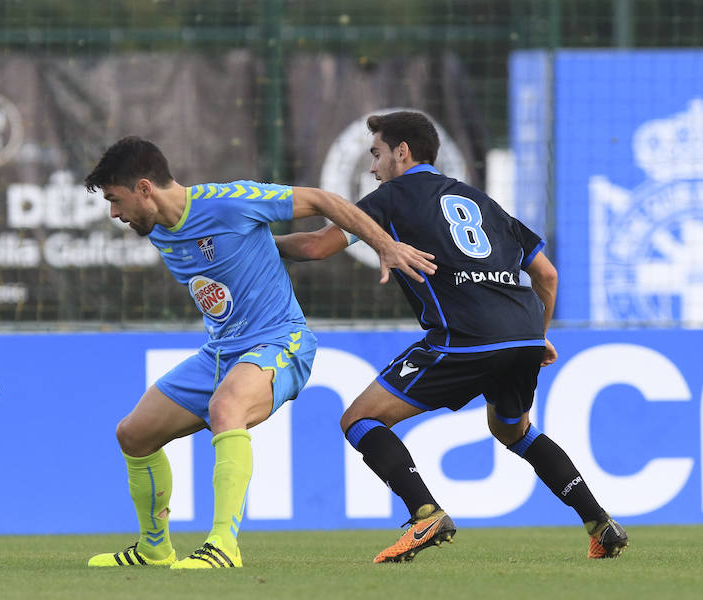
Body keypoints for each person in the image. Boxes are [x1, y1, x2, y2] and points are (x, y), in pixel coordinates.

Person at [273, 111, 629, 563]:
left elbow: (315, 246)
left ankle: (424, 514)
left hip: (466, 337)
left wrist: (257, 242)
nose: (372, 167)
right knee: (514, 432)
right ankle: (600, 522)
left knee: (359, 420)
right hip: (521, 335)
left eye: (377, 154)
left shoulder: (392, 197)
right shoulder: (480, 201)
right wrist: (538, 338)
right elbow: (547, 275)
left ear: (402, 153)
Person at [82, 136, 436, 570]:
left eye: (115, 200)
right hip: (221, 353)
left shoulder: (229, 201)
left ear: (144, 188)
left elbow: (323, 200)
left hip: (279, 341)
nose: (114, 213)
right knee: (133, 435)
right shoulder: (159, 231)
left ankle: (223, 546)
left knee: (226, 405)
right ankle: (154, 548)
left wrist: (384, 244)